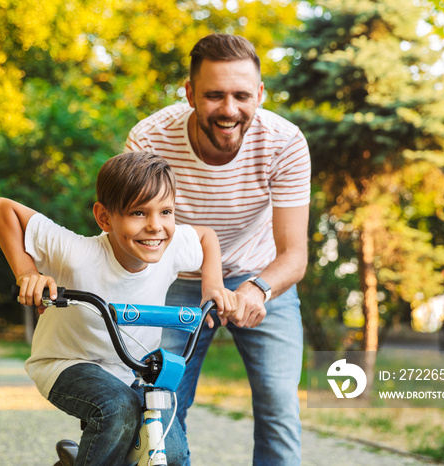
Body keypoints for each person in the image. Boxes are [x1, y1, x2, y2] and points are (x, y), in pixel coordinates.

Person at [124, 34, 311, 465]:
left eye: (242, 95)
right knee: (160, 403)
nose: (229, 109)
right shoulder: (150, 139)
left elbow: (294, 254)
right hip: (174, 280)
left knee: (280, 408)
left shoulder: (284, 142)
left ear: (260, 94)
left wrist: (255, 290)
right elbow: (134, 235)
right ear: (189, 93)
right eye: (214, 95)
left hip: (262, 278)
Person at [0, 151, 238, 466]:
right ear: (105, 218)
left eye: (166, 212)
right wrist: (27, 273)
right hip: (66, 364)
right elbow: (2, 209)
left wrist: (212, 286)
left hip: (130, 369)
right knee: (117, 409)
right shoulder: (77, 253)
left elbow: (205, 236)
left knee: (171, 450)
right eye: (138, 213)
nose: (155, 226)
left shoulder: (170, 247)